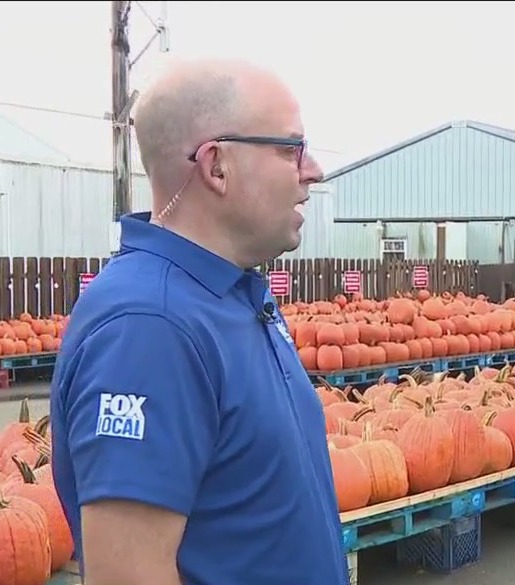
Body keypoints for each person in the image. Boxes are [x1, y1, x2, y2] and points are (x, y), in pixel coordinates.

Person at [49, 58, 348, 585]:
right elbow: (130, 575)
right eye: (290, 148)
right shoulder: (150, 326)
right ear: (216, 166)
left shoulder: (229, 295)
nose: (313, 169)